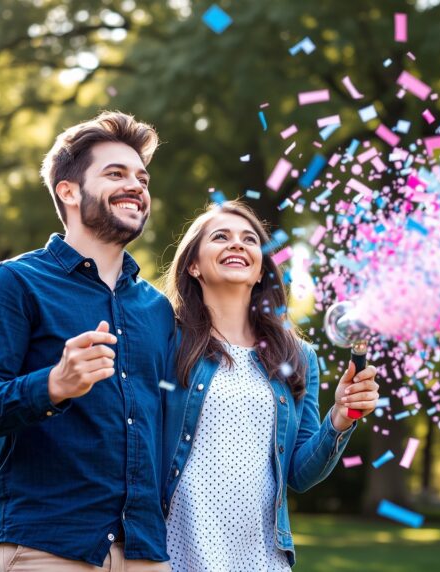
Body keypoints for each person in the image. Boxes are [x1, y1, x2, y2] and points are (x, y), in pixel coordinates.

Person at [0, 111, 172, 572]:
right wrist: (54, 384)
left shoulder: (157, 309)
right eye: (115, 173)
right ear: (68, 191)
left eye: (142, 178)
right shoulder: (16, 282)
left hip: (146, 551)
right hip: (48, 545)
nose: (136, 186)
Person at [160, 201, 380, 571]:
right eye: (220, 236)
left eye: (249, 239)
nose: (237, 244)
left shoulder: (298, 356)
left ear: (261, 268)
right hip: (177, 548)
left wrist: (340, 418)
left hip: (261, 555)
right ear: (193, 264)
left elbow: (300, 473)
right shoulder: (166, 340)